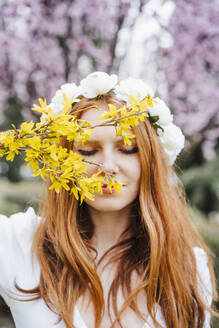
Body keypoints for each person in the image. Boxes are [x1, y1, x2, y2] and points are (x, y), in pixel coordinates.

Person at [0, 71, 218, 328]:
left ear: (150, 161)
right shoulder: (18, 244)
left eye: (127, 148)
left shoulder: (188, 270)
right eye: (88, 151)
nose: (108, 166)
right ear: (62, 160)